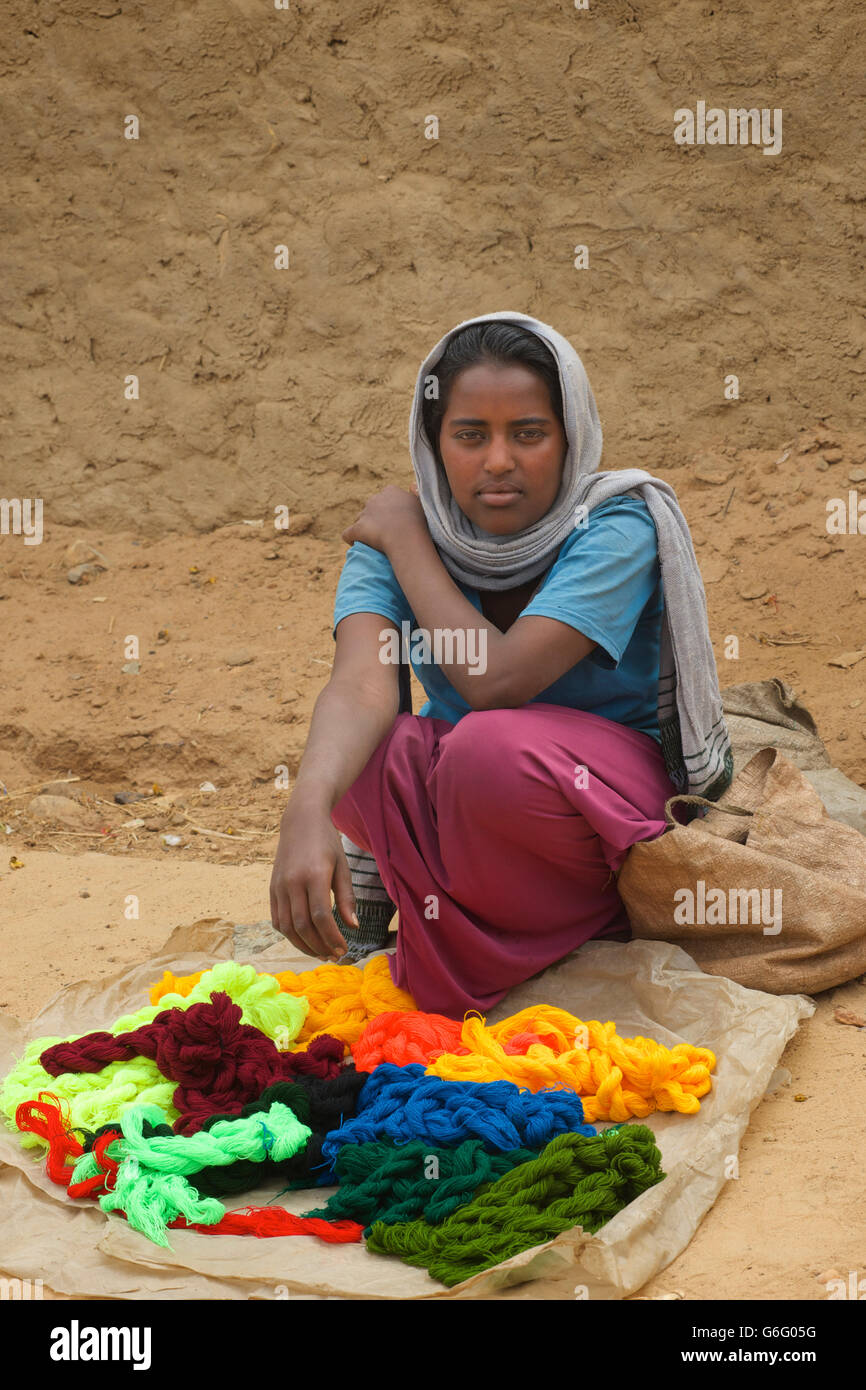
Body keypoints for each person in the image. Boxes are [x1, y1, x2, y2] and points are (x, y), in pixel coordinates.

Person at [269, 312, 732, 1017]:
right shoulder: (396, 538)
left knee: (487, 749)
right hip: (466, 814)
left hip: (595, 812)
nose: (497, 461)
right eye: (469, 435)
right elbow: (360, 684)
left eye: (529, 433)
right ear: (434, 442)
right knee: (359, 751)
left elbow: (499, 680)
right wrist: (305, 807)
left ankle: (534, 933)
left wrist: (407, 540)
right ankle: (478, 929)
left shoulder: (616, 523)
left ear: (570, 436)